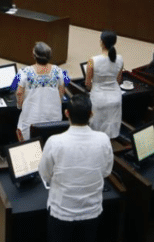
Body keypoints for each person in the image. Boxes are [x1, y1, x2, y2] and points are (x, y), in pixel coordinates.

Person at [38, 94, 114, 242]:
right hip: (92, 212)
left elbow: (45, 175)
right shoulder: (103, 139)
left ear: (66, 113)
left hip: (61, 213)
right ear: (91, 114)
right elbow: (106, 171)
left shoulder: (55, 142)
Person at [16, 42, 67, 141]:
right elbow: (62, 91)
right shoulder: (58, 71)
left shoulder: (24, 72)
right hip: (54, 118)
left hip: (31, 119)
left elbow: (19, 92)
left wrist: (20, 105)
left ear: (34, 55)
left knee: (29, 144)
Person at [86, 30, 123, 139]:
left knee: (96, 132)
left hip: (99, 98)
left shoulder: (92, 60)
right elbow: (118, 80)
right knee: (111, 127)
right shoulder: (120, 59)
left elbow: (88, 83)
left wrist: (95, 88)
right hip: (116, 98)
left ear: (101, 42)